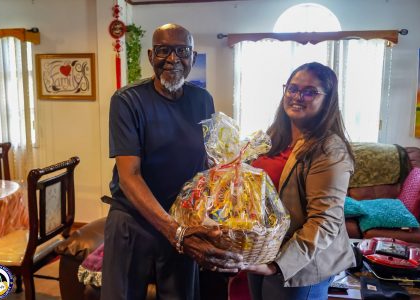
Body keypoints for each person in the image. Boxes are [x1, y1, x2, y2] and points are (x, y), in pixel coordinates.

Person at [101, 23, 242, 300]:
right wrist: (174, 231)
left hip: (183, 217)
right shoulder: (128, 101)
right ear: (152, 56)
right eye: (164, 51)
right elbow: (129, 176)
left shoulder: (202, 100)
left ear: (192, 56)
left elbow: (209, 162)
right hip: (133, 219)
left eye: (182, 51)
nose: (173, 59)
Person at [243, 62, 356, 300]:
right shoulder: (273, 138)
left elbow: (324, 222)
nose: (297, 97)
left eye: (309, 92)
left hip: (298, 265)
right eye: (292, 89)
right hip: (261, 253)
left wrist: (277, 265)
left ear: (327, 100)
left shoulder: (329, 150)